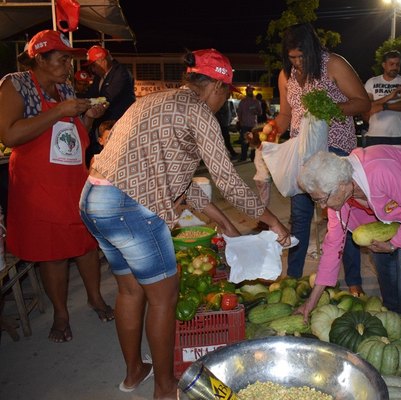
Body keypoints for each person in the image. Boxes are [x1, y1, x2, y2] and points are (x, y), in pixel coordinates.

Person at [78, 48, 290, 399]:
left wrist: (227, 227)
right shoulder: (199, 111)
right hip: (129, 208)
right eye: (227, 92)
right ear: (218, 87)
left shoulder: (152, 101)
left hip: (94, 199)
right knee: (164, 297)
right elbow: (229, 180)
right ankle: (165, 389)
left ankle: (134, 373)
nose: (224, 101)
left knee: (131, 291)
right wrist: (271, 222)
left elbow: (186, 185)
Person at [0, 30, 113, 343]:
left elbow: (76, 135)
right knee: (53, 252)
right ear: (40, 58)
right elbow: (9, 135)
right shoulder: (15, 84)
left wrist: (89, 116)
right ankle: (61, 313)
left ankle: (95, 297)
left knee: (86, 243)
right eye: (62, 59)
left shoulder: (65, 88)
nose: (68, 65)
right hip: (38, 183)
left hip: (71, 178)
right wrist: (58, 112)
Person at [295, 148, 401, 325]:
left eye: (322, 199)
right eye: (317, 200)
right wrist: (310, 303)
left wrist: (394, 244)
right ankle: (391, 313)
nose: (322, 206)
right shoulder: (338, 196)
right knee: (380, 257)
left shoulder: (379, 171)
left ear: (341, 185)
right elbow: (332, 249)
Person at [262, 22, 371, 296]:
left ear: (313, 49)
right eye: (292, 58)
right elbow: (287, 115)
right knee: (299, 217)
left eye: (301, 57)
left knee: (342, 216)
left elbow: (362, 102)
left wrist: (329, 108)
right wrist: (274, 127)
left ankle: (354, 279)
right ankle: (294, 277)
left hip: (335, 151)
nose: (297, 62)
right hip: (303, 154)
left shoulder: (333, 64)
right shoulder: (286, 75)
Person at [84, 45, 136, 167]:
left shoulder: (121, 73)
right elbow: (90, 95)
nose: (92, 69)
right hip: (103, 127)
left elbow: (107, 98)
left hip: (117, 126)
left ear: (102, 60)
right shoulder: (99, 77)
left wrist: (86, 103)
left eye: (93, 65)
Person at [362, 50, 401, 146]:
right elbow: (367, 106)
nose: (395, 67)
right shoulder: (371, 82)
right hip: (374, 135)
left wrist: (383, 106)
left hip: (397, 135)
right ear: (384, 65)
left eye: (397, 64)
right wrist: (390, 96)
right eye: (391, 64)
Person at [237, 84, 261, 161]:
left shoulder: (256, 102)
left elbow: (260, 112)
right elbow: (239, 113)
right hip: (244, 124)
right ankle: (243, 157)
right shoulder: (242, 102)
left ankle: (253, 157)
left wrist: (256, 112)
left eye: (252, 90)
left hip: (253, 125)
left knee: (254, 142)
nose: (251, 91)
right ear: (246, 91)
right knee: (244, 142)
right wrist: (240, 121)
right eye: (249, 90)